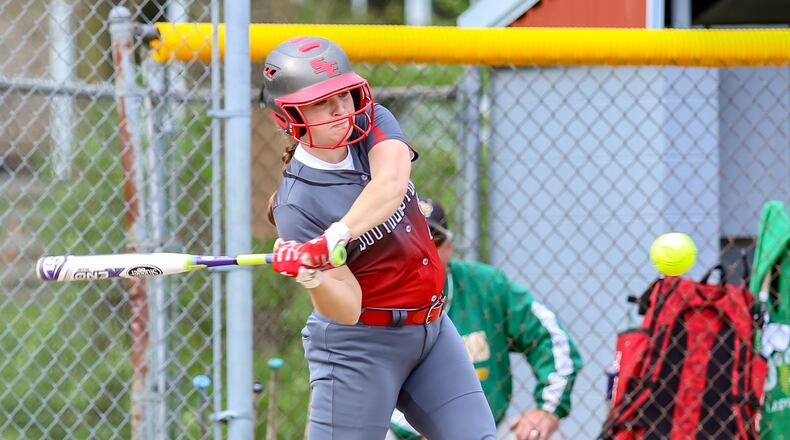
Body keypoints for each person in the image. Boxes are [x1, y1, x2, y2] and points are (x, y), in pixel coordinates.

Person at [260, 36, 498, 440]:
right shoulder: (296, 205)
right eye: (321, 102)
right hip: (359, 349)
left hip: (432, 329)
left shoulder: (372, 121)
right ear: (290, 116)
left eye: (343, 94)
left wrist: (335, 236)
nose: (339, 109)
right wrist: (312, 275)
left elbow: (389, 184)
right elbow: (348, 307)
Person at [388, 199, 583, 440]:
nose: (424, 250)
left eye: (434, 240)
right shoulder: (379, 296)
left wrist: (547, 410)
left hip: (483, 430)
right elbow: (367, 383)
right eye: (412, 240)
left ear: (448, 245)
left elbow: (549, 337)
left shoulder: (486, 286)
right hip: (404, 432)